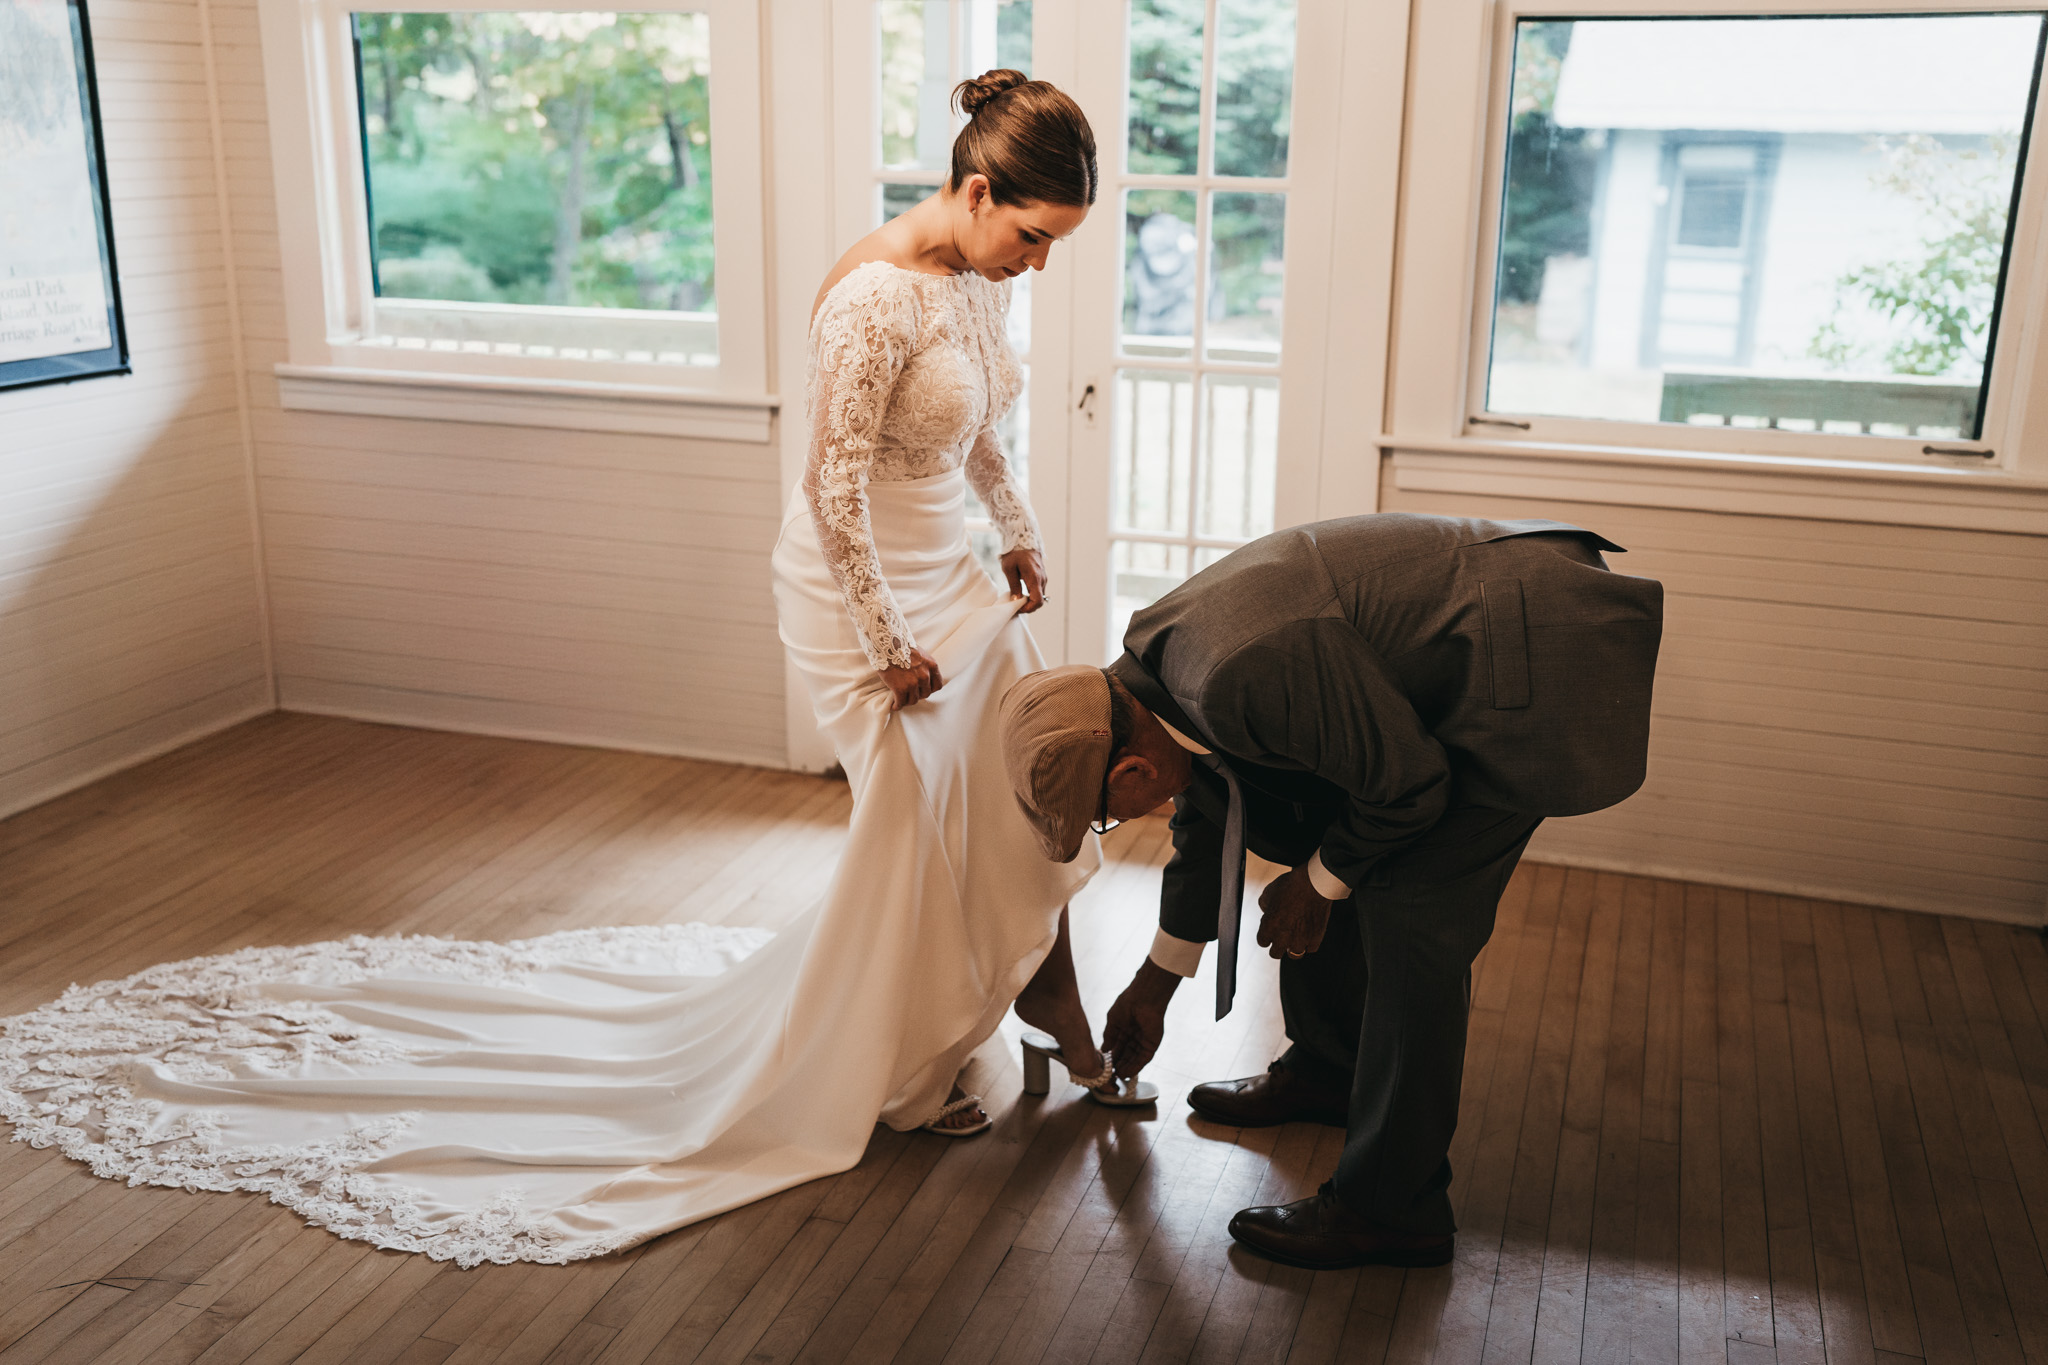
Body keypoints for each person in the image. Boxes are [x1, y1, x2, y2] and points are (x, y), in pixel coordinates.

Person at [0, 71, 1116, 1268]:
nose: (1037, 264)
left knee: (1003, 790)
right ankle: (899, 1060)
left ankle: (1013, 1001)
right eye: (1033, 236)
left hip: (951, 571)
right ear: (975, 190)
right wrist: (887, 645)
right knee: (913, 819)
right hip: (859, 594)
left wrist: (1017, 530)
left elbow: (977, 428)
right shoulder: (873, 295)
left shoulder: (976, 281)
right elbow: (828, 488)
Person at [998, 512, 1662, 1269]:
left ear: (1131, 769)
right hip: (1465, 642)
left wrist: (1316, 885)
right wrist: (1157, 982)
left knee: (1411, 917)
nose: (1115, 823)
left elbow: (1409, 787)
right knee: (1318, 835)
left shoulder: (1235, 672)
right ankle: (1330, 1067)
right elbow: (1209, 807)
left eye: (1105, 816)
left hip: (1530, 651)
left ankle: (1393, 1209)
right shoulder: (1148, 681)